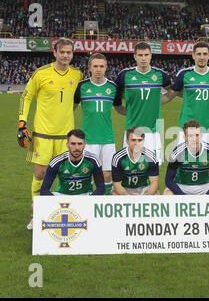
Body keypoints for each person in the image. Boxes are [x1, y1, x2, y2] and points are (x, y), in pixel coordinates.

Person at [18, 38, 83, 229]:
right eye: (62, 52)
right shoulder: (41, 73)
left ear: (72, 54)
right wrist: (22, 122)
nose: (65, 55)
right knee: (40, 172)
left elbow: (77, 100)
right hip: (43, 134)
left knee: (66, 174)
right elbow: (26, 96)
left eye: (69, 52)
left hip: (66, 136)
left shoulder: (77, 75)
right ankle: (36, 213)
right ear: (54, 53)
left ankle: (65, 213)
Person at [74, 53, 126, 195]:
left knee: (107, 173)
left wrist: (134, 112)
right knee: (88, 172)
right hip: (89, 139)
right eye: (95, 66)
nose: (98, 69)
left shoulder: (113, 87)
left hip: (107, 137)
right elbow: (71, 107)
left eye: (101, 66)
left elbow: (119, 108)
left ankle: (103, 200)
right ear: (89, 67)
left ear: (106, 68)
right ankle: (89, 200)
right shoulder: (81, 86)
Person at [114, 42, 171, 164]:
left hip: (154, 130)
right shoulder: (124, 75)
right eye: (140, 55)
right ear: (135, 56)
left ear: (151, 56)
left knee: (153, 166)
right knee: (130, 165)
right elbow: (116, 99)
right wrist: (124, 111)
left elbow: (171, 91)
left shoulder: (160, 75)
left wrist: (157, 102)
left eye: (146, 55)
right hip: (131, 129)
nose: (143, 58)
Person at [161, 42, 209, 147]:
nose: (202, 57)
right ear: (193, 55)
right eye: (199, 54)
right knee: (182, 161)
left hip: (208, 129)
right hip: (186, 128)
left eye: (205, 54)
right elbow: (169, 95)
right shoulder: (184, 74)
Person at [164, 119, 209, 195]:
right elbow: (168, 180)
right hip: (182, 186)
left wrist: (208, 195)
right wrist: (182, 196)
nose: (194, 139)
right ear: (185, 137)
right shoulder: (177, 152)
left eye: (197, 135)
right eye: (190, 136)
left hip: (204, 186)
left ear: (201, 135)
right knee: (167, 194)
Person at [40, 129, 105, 196]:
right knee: (37, 204)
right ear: (67, 144)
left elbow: (101, 188)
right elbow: (44, 190)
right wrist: (56, 202)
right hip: (63, 196)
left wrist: (88, 201)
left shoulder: (93, 160)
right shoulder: (57, 162)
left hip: (85, 196)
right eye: (73, 144)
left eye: (80, 144)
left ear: (84, 145)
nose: (76, 148)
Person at [111, 127, 159, 195]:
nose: (137, 143)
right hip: (124, 188)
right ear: (127, 141)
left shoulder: (151, 157)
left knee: (156, 194)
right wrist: (128, 197)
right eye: (133, 140)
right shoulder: (118, 158)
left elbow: (154, 183)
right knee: (114, 195)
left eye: (140, 140)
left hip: (144, 188)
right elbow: (117, 184)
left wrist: (142, 197)